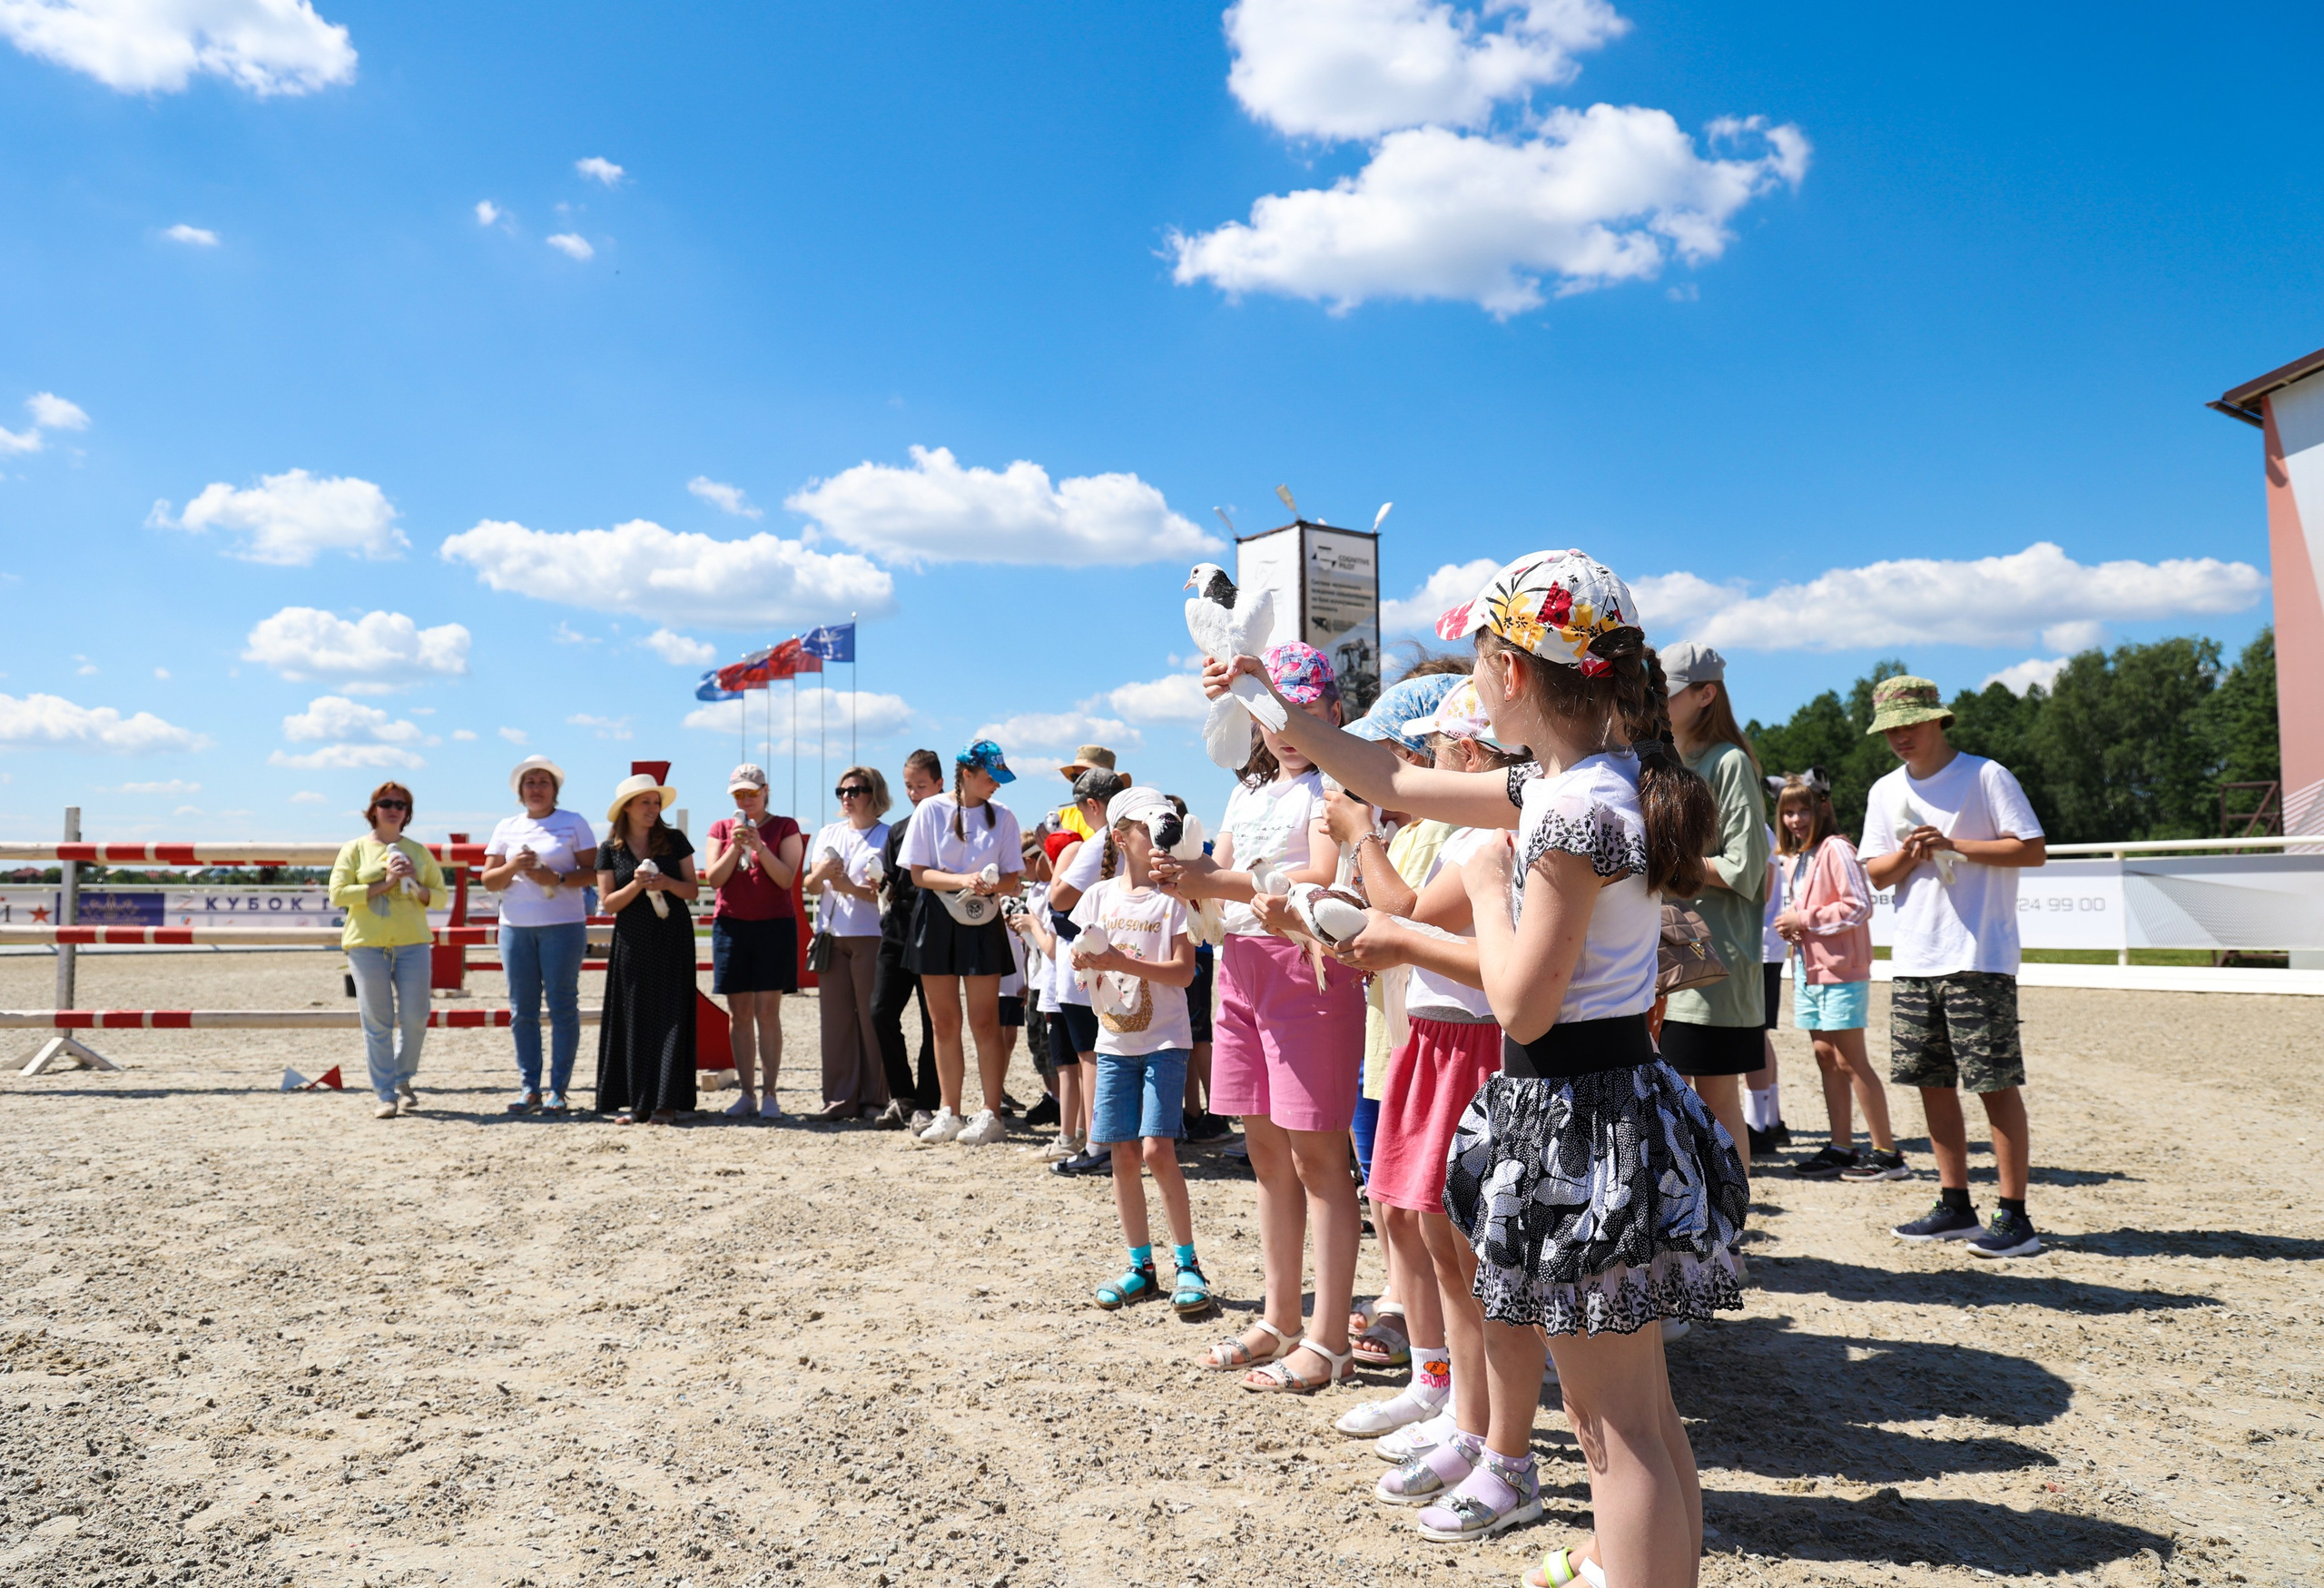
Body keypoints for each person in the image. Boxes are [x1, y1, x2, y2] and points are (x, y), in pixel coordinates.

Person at [1204, 550, 1748, 1583]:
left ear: (1509, 670)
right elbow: (1396, 777)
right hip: (1613, 1104)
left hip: (1576, 1115)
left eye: (1475, 662)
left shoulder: (1566, 812)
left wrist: (1419, 928)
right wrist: (1269, 699)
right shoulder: (1587, 780)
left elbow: (1523, 1000)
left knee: (1608, 1429)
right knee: (1639, 1414)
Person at [1163, 642, 1367, 1396]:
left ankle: (1328, 1335)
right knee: (1266, 1151)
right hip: (1243, 966)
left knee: (1319, 1159)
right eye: (1274, 711)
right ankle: (1283, 1316)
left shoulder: (1335, 787)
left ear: (1333, 712)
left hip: (1306, 966)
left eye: (1304, 709)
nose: (1286, 726)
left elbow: (1316, 876)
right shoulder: (1246, 792)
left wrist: (1208, 878)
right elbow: (1214, 870)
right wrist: (1187, 881)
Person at [1331, 676, 1523, 1462]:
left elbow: (1407, 919)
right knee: (1433, 1234)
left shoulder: (1485, 839)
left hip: (1469, 1043)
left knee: (1463, 1245)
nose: (1418, 767)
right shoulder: (1459, 837)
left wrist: (1360, 835)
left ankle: (1471, 1415)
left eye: (1432, 752)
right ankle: (1448, 1395)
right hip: (1434, 1035)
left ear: (1464, 753)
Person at [1859, 676, 2047, 1258]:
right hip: (1915, 957)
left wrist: (1955, 846)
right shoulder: (1884, 790)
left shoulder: (1986, 776)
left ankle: (2015, 1216)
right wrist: (1911, 854)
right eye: (1891, 727)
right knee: (1932, 1082)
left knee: (1994, 1084)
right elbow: (1873, 873)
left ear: (1940, 720)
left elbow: (2033, 848)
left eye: (1910, 723)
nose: (1900, 736)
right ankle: (1955, 1202)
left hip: (1978, 956)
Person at [1331, 669, 1465, 1413]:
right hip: (1397, 1041)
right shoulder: (1411, 833)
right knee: (1393, 1208)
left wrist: (1357, 841)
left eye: (1381, 756)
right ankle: (1435, 1374)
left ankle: (1448, 1381)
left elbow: (1407, 917)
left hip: (1432, 1041)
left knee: (1429, 1220)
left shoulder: (1434, 834)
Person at [1076, 785, 1211, 1317]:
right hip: (1113, 1041)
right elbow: (1083, 958)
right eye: (1144, 826)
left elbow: (1183, 973)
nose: (1156, 834)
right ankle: (1140, 1266)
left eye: (1164, 824)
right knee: (1123, 1153)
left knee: (1158, 1150)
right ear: (1120, 836)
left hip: (1164, 1042)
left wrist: (1116, 960)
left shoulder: (1175, 899)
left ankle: (1188, 1264)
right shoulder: (1098, 897)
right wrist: (1084, 962)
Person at [1658, 642, 1769, 1175]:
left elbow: (1745, 867)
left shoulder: (1729, 762)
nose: (1658, 699)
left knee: (1718, 1101)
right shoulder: (1660, 759)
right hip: (1664, 958)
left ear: (1706, 695)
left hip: (1714, 963)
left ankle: (1727, 1243)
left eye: (1670, 691)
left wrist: (1660, 861)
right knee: (1673, 1105)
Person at [1770, 774, 1905, 1181]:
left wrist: (1805, 919)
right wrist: (1794, 927)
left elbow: (1860, 906)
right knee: (1825, 1056)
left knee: (1850, 1059)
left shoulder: (1837, 848)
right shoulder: (1797, 856)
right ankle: (1841, 1146)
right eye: (1788, 811)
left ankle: (1887, 1152)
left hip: (1841, 970)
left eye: (1804, 809)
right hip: (1808, 970)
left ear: (1823, 808)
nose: (1795, 819)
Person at [898, 739, 1025, 1145]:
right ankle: (948, 1111)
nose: (997, 786)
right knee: (943, 1021)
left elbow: (1013, 879)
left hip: (983, 917)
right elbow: (918, 874)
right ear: (966, 774)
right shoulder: (931, 810)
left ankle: (991, 1112)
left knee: (986, 1021)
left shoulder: (1002, 816)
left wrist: (989, 884)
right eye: (990, 778)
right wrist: (963, 880)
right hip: (935, 917)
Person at [479, 755, 596, 1114]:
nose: (536, 788)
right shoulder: (505, 827)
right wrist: (513, 865)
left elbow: (594, 872)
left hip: (563, 924)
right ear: (520, 790)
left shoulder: (573, 823)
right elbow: (488, 880)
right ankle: (529, 1087)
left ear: (555, 790)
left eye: (543, 782)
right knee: (522, 1011)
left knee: (562, 1007)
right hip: (515, 927)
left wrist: (556, 878)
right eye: (530, 782)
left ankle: (558, 1090)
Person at [330, 782, 449, 1120]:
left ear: (407, 813)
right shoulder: (354, 849)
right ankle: (385, 1093)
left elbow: (440, 897)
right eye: (386, 803)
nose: (393, 808)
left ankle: (402, 1077)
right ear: (374, 810)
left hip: (413, 943)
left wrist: (416, 886)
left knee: (415, 1017)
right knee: (377, 1021)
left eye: (400, 804)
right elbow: (337, 894)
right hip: (366, 945)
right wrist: (385, 882)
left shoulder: (418, 851)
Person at [594, 772, 701, 1125]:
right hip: (632, 941)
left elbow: (692, 890)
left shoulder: (675, 840)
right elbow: (609, 903)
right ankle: (638, 1104)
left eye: (656, 803)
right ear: (626, 808)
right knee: (634, 1017)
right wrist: (638, 886)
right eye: (646, 802)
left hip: (673, 937)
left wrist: (666, 882)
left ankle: (667, 1103)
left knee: (671, 1015)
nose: (653, 809)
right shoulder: (609, 850)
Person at [702, 764, 803, 1119]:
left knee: (767, 1012)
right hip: (731, 925)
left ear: (766, 790)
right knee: (740, 1014)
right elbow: (714, 879)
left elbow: (787, 878)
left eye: (752, 792)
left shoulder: (785, 826)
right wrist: (735, 845)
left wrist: (759, 846)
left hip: (774, 925)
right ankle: (747, 1093)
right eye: (739, 794)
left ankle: (770, 1093)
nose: (746, 799)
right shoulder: (720, 828)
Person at [1045, 766, 1130, 1176]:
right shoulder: (1136, 834)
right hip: (1130, 954)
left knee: (1090, 1056)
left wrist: (1062, 865)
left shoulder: (1098, 843)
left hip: (1090, 959)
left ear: (1092, 806)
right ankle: (1114, 1139)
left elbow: (1060, 898)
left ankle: (1098, 1142)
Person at [803, 765, 895, 1124]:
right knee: (836, 1022)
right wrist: (823, 875)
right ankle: (839, 1099)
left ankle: (874, 1098)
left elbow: (890, 896)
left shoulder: (888, 836)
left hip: (871, 935)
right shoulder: (828, 832)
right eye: (841, 791)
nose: (846, 797)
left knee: (872, 1020)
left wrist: (851, 889)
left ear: (874, 793)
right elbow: (810, 886)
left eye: (854, 790)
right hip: (831, 937)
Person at [872, 750, 945, 1128]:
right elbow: (889, 882)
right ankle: (902, 1095)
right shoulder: (897, 830)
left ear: (939, 784)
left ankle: (926, 1102)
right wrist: (878, 883)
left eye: (921, 786)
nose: (915, 793)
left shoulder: (951, 828)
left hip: (934, 930)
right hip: (897, 929)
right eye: (909, 787)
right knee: (880, 1011)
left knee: (935, 1020)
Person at [1741, 827, 1791, 1155]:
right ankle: (1769, 1121)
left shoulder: (1754, 828)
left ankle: (1758, 1126)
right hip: (1763, 944)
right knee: (1759, 1033)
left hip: (1756, 944)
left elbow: (1761, 887)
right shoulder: (1761, 828)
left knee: (1751, 1034)